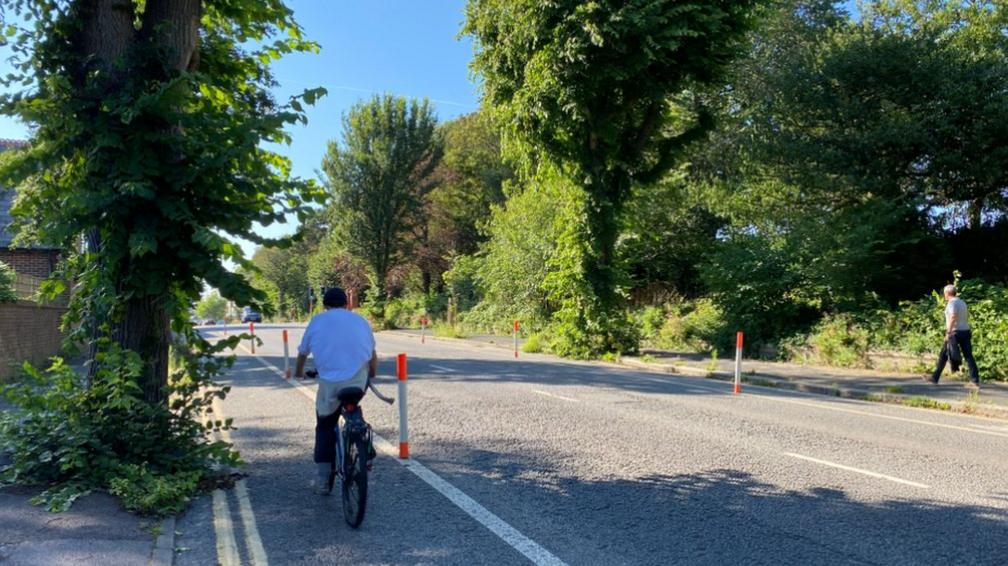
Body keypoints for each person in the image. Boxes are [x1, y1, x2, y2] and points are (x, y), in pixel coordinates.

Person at [290, 287, 377, 494]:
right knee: (353, 404)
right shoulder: (360, 320)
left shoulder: (317, 321)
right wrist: (371, 374)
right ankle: (361, 437)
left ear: (324, 305)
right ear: (347, 303)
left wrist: (299, 372)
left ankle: (322, 478)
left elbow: (303, 353)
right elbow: (372, 355)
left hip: (330, 382)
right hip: (358, 379)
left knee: (325, 426)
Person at [926, 284, 980, 390]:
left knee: (944, 354)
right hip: (965, 331)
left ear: (947, 293)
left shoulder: (951, 303)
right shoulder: (962, 302)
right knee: (968, 356)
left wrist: (948, 332)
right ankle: (975, 380)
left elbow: (953, 316)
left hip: (954, 333)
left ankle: (934, 377)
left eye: (944, 293)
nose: (944, 295)